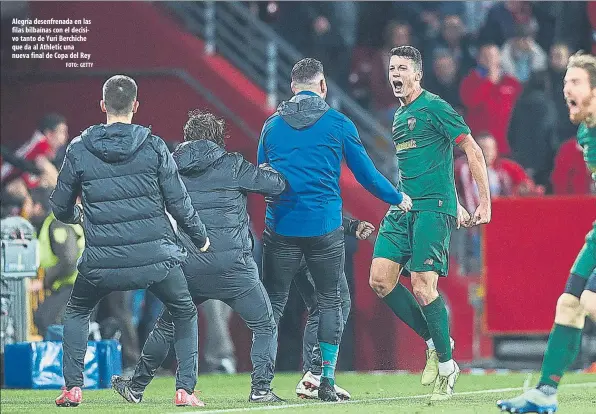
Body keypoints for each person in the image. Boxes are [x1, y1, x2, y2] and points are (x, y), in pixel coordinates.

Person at [258, 58, 412, 402]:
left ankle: (261, 386)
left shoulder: (271, 126)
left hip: (281, 229)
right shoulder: (338, 123)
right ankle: (322, 377)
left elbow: (262, 176)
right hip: (323, 229)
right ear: (323, 86)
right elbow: (367, 175)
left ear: (292, 87)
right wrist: (397, 197)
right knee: (332, 301)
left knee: (273, 305)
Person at [50, 75, 209, 408]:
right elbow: (178, 201)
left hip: (102, 261)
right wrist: (200, 237)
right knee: (183, 310)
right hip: (156, 258)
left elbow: (59, 206)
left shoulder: (79, 148)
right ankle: (184, 390)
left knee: (78, 310)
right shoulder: (154, 146)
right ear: (136, 106)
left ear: (102, 106)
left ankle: (73, 388)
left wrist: (78, 217)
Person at [111, 110, 286, 404]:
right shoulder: (233, 165)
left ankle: (137, 386)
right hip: (234, 267)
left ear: (187, 137)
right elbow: (276, 186)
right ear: (218, 137)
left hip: (188, 265)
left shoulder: (170, 166)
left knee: (167, 325)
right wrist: (271, 170)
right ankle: (260, 389)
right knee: (264, 323)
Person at [370, 46, 491, 402]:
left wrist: (481, 202)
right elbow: (431, 162)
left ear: (417, 74)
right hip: (403, 204)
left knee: (424, 288)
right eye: (392, 67)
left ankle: (448, 365)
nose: (396, 73)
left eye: (402, 67)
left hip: (431, 210)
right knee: (379, 279)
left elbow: (471, 149)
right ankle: (435, 341)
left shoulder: (436, 107)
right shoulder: (397, 116)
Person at [497, 52, 596, 414]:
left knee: (589, 301)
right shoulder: (585, 131)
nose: (566, 88)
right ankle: (544, 393)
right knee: (568, 305)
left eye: (575, 82)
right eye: (565, 81)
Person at [294, 217, 374, 400]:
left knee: (316, 309)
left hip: (284, 243)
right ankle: (316, 373)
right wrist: (397, 197)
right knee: (337, 304)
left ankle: (311, 378)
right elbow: (319, 207)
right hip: (315, 244)